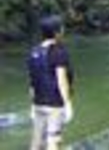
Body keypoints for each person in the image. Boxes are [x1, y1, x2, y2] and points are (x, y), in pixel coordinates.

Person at [27, 15, 74, 150]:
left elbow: (32, 81)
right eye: (61, 28)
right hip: (54, 104)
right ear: (56, 32)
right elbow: (62, 81)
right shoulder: (59, 51)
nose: (63, 31)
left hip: (38, 103)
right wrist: (67, 104)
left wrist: (32, 104)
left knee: (37, 141)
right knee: (54, 139)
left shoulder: (34, 51)